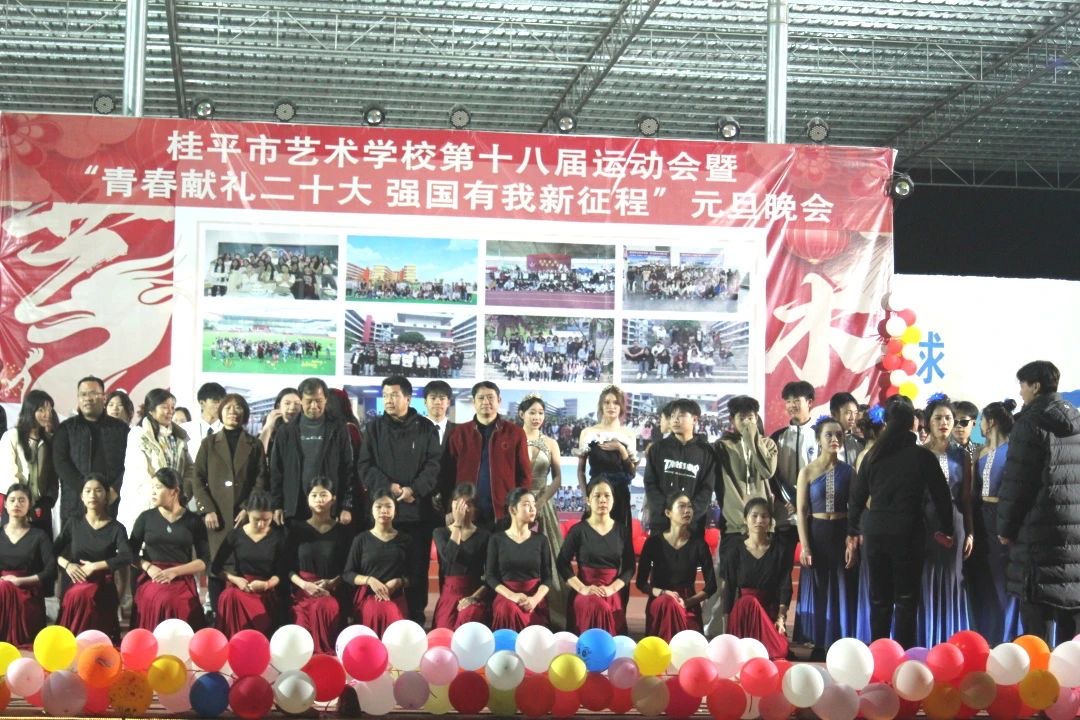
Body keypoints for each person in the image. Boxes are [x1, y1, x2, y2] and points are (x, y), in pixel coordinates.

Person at [848, 400, 955, 648]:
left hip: (875, 531)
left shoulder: (873, 456)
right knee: (906, 600)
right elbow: (942, 495)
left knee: (879, 600)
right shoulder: (922, 456)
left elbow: (857, 497)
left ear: (886, 423)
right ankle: (903, 655)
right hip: (908, 532)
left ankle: (879, 653)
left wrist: (853, 529)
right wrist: (946, 528)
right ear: (913, 424)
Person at [998, 360, 1080, 645]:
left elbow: (1018, 482)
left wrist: (1006, 528)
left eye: (1022, 385)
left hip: (1037, 532)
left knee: (1036, 622)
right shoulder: (1077, 419)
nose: (1020, 392)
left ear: (1035, 386)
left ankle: (1040, 673)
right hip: (1074, 533)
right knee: (1071, 613)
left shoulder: (1029, 422)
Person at [356, 376, 441, 624]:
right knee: (382, 565)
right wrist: (389, 487)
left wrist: (414, 489)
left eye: (394, 395)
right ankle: (381, 615)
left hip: (417, 512)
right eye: (385, 396)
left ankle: (415, 617)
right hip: (383, 512)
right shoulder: (374, 428)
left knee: (416, 567)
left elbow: (434, 465)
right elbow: (365, 465)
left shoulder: (426, 428)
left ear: (408, 398)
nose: (389, 400)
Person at [705, 395, 777, 636]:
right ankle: (716, 633)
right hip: (734, 526)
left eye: (751, 417)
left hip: (761, 527)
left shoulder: (768, 445)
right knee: (725, 581)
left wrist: (751, 436)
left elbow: (767, 471)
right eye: (741, 417)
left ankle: (758, 632)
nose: (746, 421)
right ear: (731, 420)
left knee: (759, 584)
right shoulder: (721, 447)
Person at [192, 393, 268, 619]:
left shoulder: (254, 444)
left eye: (238, 408)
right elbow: (197, 478)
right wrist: (208, 509)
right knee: (217, 567)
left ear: (245, 413)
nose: (233, 412)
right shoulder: (209, 443)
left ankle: (243, 615)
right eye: (228, 408)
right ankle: (218, 616)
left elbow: (261, 480)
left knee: (243, 566)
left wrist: (248, 508)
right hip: (217, 517)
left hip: (244, 516)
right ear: (220, 412)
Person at [793, 417, 858, 653]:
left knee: (842, 587)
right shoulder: (807, 471)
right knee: (818, 588)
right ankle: (818, 642)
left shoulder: (849, 471)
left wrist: (852, 540)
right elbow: (801, 511)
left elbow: (855, 509)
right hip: (817, 534)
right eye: (828, 434)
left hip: (842, 533)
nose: (834, 439)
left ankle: (842, 643)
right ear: (818, 439)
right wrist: (805, 546)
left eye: (839, 435)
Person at [917, 393, 974, 647]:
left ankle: (952, 640)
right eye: (938, 418)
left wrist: (970, 532)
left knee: (953, 579)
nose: (944, 423)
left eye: (949, 418)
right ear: (928, 422)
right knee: (926, 579)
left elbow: (966, 498)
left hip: (956, 522)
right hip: (925, 523)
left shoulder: (962, 455)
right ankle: (926, 639)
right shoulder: (918, 454)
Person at [439, 382, 530, 531]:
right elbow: (447, 476)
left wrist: (518, 506)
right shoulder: (459, 434)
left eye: (490, 397)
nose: (486, 402)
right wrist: (450, 508)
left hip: (504, 512)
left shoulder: (515, 433)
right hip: (466, 510)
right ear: (473, 402)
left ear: (499, 401)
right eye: (481, 398)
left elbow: (524, 475)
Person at [967, 399, 1022, 645]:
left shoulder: (1015, 450)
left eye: (982, 420)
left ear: (991, 422)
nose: (980, 425)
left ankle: (1008, 636)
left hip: (1003, 516)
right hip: (981, 517)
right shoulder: (979, 452)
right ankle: (987, 635)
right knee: (985, 579)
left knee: (1004, 580)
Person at [128, 467, 209, 630]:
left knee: (180, 603)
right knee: (159, 598)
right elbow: (129, 553)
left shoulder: (193, 520)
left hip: (181, 576)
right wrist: (148, 567)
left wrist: (175, 572)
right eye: (152, 487)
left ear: (174, 491)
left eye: (158, 487)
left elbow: (204, 560)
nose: (153, 492)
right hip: (153, 575)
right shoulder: (145, 518)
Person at [55, 473, 132, 641]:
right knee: (78, 594)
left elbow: (127, 556)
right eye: (88, 490)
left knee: (86, 595)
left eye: (98, 490)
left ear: (106, 496)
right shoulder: (73, 523)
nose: (92, 495)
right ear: (82, 496)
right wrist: (67, 565)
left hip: (103, 583)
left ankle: (88, 641)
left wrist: (95, 566)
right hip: (77, 579)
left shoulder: (117, 528)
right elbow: (52, 551)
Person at [270, 377, 354, 526]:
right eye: (309, 401)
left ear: (326, 400)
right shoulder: (286, 431)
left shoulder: (338, 428)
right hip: (295, 507)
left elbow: (348, 468)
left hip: (328, 506)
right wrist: (277, 505)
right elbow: (276, 471)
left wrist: (346, 506)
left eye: (319, 400)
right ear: (301, 400)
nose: (314, 406)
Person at [557, 478, 635, 634]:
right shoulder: (578, 531)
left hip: (611, 591)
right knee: (597, 607)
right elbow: (562, 563)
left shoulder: (622, 531)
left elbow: (629, 567)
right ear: (588, 500)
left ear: (613, 500)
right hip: (585, 591)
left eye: (607, 496)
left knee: (606, 606)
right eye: (597, 496)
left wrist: (612, 589)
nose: (602, 500)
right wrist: (582, 588)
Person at [636, 492, 717, 641]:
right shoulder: (653, 543)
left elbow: (711, 585)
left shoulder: (699, 544)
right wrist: (662, 593)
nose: (687, 511)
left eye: (689, 507)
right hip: (660, 601)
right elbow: (641, 583)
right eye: (681, 506)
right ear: (668, 513)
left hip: (688, 603)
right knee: (668, 603)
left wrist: (687, 602)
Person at [722, 498, 792, 659]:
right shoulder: (734, 551)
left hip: (768, 612)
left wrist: (781, 618)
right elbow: (729, 588)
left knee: (780, 651)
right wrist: (726, 623)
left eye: (764, 516)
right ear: (745, 519)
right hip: (742, 613)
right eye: (754, 516)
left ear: (770, 521)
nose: (759, 520)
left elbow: (785, 586)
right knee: (749, 601)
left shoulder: (779, 550)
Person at [518, 394, 566, 628]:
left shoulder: (551, 443)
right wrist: (521, 503)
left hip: (543, 506)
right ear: (522, 414)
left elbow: (557, 478)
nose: (537, 417)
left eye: (540, 413)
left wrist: (540, 502)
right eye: (532, 412)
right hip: (517, 506)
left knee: (550, 557)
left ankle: (553, 614)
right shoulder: (512, 439)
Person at [119, 389, 196, 533]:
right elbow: (139, 472)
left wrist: (182, 492)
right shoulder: (138, 434)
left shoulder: (179, 436)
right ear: (151, 410)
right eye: (164, 407)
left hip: (174, 502)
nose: (170, 411)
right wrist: (162, 493)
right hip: (145, 501)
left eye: (172, 407)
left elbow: (190, 469)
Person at [288, 477, 351, 653]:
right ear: (307, 499)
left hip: (332, 591)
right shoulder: (295, 529)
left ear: (333, 499)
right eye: (314, 495)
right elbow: (286, 567)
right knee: (300, 639)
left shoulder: (343, 532)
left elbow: (350, 568)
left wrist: (333, 582)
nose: (318, 499)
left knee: (325, 606)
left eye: (324, 495)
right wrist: (304, 585)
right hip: (303, 592)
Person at [211, 490, 287, 636]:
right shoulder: (235, 536)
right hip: (242, 587)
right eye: (256, 519)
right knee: (229, 596)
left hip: (266, 590)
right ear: (247, 514)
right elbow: (215, 568)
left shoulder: (278, 538)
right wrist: (235, 579)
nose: (261, 524)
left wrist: (267, 584)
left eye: (266, 520)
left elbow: (282, 573)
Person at [53, 375, 129, 520]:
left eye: (93, 393)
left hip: (112, 502)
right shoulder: (66, 428)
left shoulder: (121, 429)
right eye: (83, 394)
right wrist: (85, 490)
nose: (87, 398)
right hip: (76, 503)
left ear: (104, 397)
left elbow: (130, 463)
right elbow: (60, 462)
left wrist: (115, 488)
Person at [642, 399, 716, 536]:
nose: (675, 420)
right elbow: (650, 483)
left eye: (681, 415)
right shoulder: (657, 449)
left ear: (694, 419)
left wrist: (689, 513)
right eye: (672, 416)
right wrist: (667, 511)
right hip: (661, 523)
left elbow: (707, 489)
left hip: (692, 526)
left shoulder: (707, 453)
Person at [343, 492, 411, 636]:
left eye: (388, 506)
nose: (383, 510)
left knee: (390, 612)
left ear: (395, 510)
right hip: (368, 596)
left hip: (395, 596)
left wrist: (399, 582)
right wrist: (369, 580)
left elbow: (415, 575)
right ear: (371, 510)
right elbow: (348, 574)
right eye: (378, 507)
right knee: (376, 611)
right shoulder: (361, 539)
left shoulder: (406, 540)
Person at [486, 487, 551, 630]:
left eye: (534, 504)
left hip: (534, 598)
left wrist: (534, 600)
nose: (533, 508)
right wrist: (512, 596)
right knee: (508, 610)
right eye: (527, 504)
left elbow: (547, 578)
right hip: (506, 596)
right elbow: (490, 576)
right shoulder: (496, 540)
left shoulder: (541, 540)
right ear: (512, 510)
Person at [768, 380, 817, 568]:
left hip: (813, 514)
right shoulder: (777, 437)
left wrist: (806, 501)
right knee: (781, 569)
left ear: (809, 402)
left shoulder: (820, 434)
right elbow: (772, 474)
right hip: (785, 514)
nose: (791, 405)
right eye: (788, 401)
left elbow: (824, 472)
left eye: (796, 400)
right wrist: (788, 499)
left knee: (814, 566)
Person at [576, 385, 638, 529]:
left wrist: (621, 449)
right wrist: (586, 498)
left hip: (620, 496)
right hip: (596, 494)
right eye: (607, 402)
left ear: (621, 407)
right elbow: (580, 471)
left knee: (619, 539)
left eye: (616, 403)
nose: (611, 406)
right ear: (601, 405)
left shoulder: (628, 434)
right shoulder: (588, 432)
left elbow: (632, 472)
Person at [0, 483, 55, 646]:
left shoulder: (39, 535)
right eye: (12, 500)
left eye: (22, 500)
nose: (16, 504)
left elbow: (51, 570)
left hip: (28, 589)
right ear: (5, 504)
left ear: (29, 504)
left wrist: (20, 581)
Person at [432, 483, 491, 629]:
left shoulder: (485, 535)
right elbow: (450, 558)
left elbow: (491, 575)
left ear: (475, 508)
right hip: (450, 592)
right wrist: (457, 524)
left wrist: (474, 597)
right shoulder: (440, 533)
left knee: (468, 618)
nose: (463, 509)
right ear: (452, 505)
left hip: (475, 592)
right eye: (459, 504)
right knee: (446, 631)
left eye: (468, 504)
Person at [0, 390, 59, 535]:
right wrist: (22, 501)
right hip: (16, 506)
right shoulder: (11, 436)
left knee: (42, 546)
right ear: (30, 410)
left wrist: (47, 501)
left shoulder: (49, 441)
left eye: (49, 410)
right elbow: (8, 473)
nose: (47, 414)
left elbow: (53, 477)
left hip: (40, 509)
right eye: (41, 410)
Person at [181, 382, 226, 453]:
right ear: (202, 403)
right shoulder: (185, 429)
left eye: (222, 402)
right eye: (215, 402)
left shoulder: (228, 431)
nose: (220, 406)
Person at [258, 387, 301, 455]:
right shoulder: (271, 428)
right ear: (278, 406)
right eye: (287, 403)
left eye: (297, 403)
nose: (292, 407)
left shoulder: (305, 427)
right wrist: (268, 427)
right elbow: (258, 454)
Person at [830, 392, 865, 465]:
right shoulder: (822, 443)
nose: (852, 418)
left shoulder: (858, 443)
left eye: (855, 413)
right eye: (848, 413)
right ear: (834, 414)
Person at [423, 381, 455, 448]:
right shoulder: (414, 430)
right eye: (433, 398)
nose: (437, 402)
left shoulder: (458, 431)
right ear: (425, 402)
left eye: (442, 398)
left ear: (448, 403)